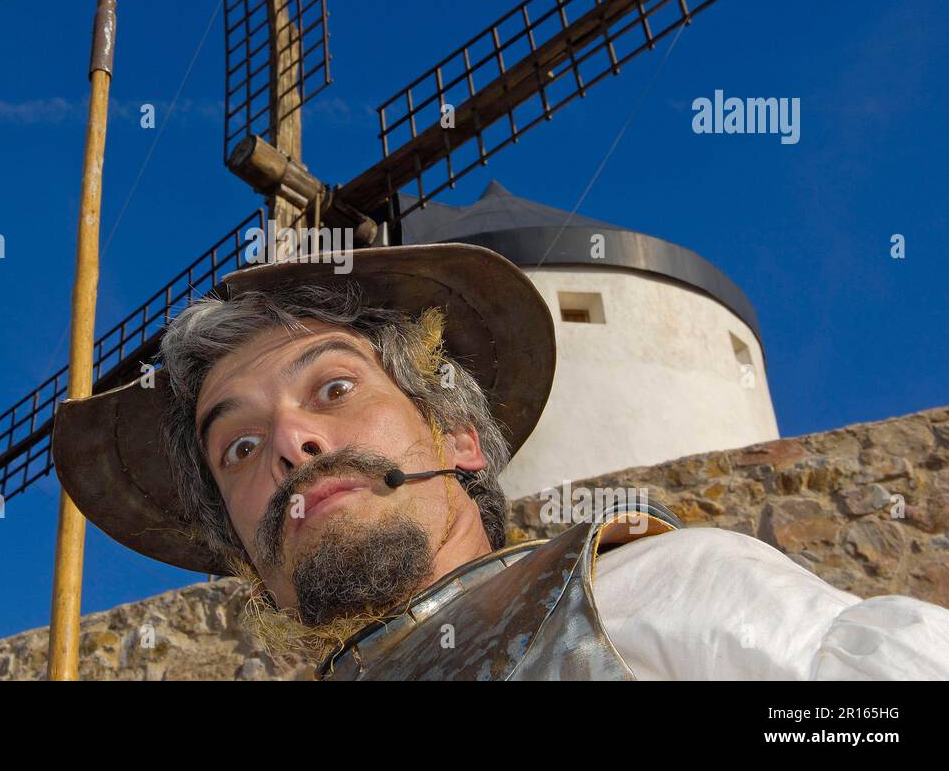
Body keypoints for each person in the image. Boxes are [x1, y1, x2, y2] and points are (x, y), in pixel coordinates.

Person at [52, 243, 949, 679]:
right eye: (238, 445)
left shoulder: (654, 594)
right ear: (248, 557)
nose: (291, 443)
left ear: (457, 437)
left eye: (331, 389)